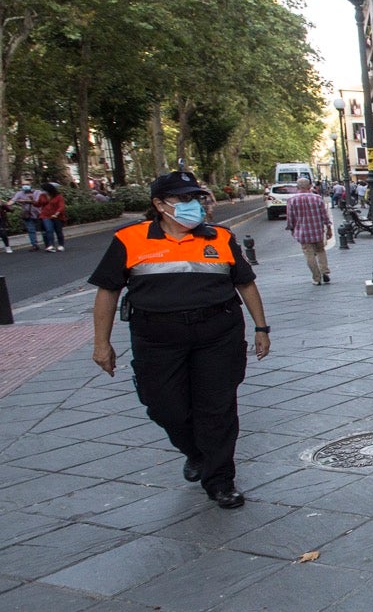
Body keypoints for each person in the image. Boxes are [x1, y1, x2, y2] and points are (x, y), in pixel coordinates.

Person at [88, 170, 270, 509]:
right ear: (160, 205)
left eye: (196, 198)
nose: (193, 205)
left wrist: (261, 328)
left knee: (217, 409)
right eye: (183, 199)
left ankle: (220, 480)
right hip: (157, 339)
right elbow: (108, 291)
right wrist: (102, 343)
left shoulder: (220, 237)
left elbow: (245, 283)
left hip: (218, 334)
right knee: (164, 407)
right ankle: (196, 452)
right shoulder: (130, 239)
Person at [283, 177, 333, 285]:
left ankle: (316, 277)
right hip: (317, 231)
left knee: (309, 254)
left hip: (302, 232)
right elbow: (324, 215)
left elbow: (290, 218)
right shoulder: (317, 198)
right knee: (320, 251)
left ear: (297, 187)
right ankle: (324, 271)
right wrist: (328, 228)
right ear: (310, 186)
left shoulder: (292, 200)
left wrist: (292, 229)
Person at [10, 182, 42, 250]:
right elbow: (13, 200)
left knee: (44, 229)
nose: (25, 186)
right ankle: (34, 245)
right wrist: (7, 204)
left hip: (39, 213)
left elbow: (37, 201)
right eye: (23, 185)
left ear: (30, 185)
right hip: (28, 214)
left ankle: (49, 244)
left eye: (27, 184)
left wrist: (24, 200)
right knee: (31, 230)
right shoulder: (19, 193)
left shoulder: (37, 192)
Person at [37, 183, 66, 251]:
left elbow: (61, 206)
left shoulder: (58, 197)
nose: (42, 191)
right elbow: (38, 204)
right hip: (45, 215)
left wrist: (56, 213)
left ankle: (61, 245)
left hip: (57, 216)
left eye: (44, 190)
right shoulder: (42, 196)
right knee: (49, 230)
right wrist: (32, 201)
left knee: (58, 231)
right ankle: (51, 245)